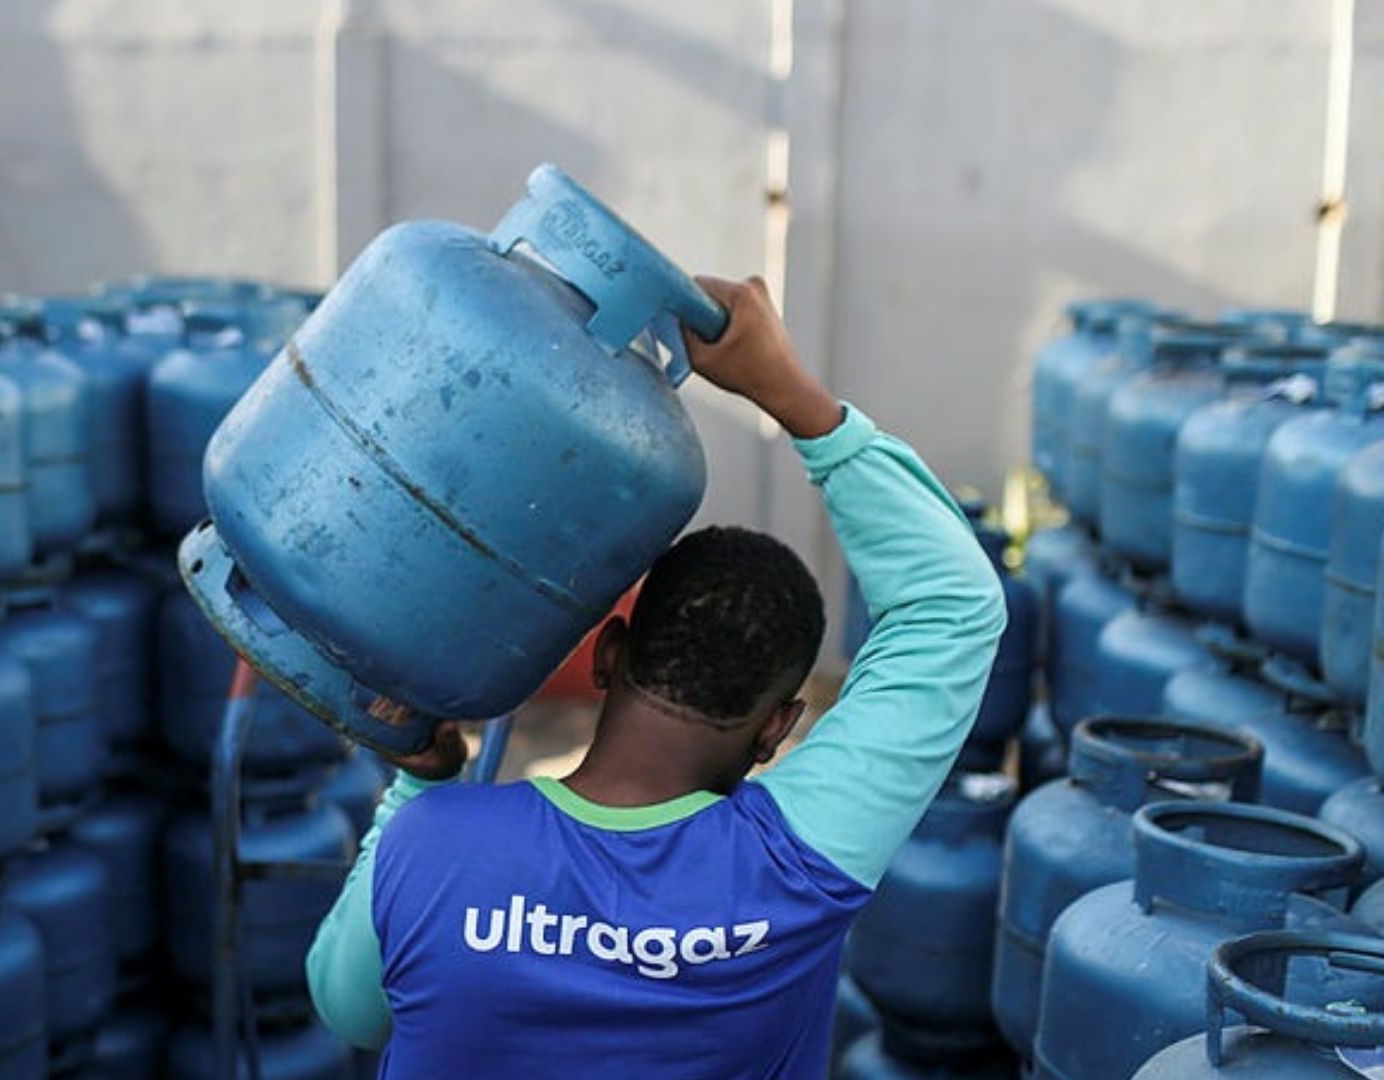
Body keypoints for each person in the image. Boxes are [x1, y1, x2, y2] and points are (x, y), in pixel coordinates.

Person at [304, 275, 1008, 1079]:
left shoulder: (434, 845)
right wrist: (788, 394)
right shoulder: (799, 867)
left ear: (607, 656)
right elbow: (953, 606)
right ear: (777, 727)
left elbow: (347, 1008)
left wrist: (419, 788)